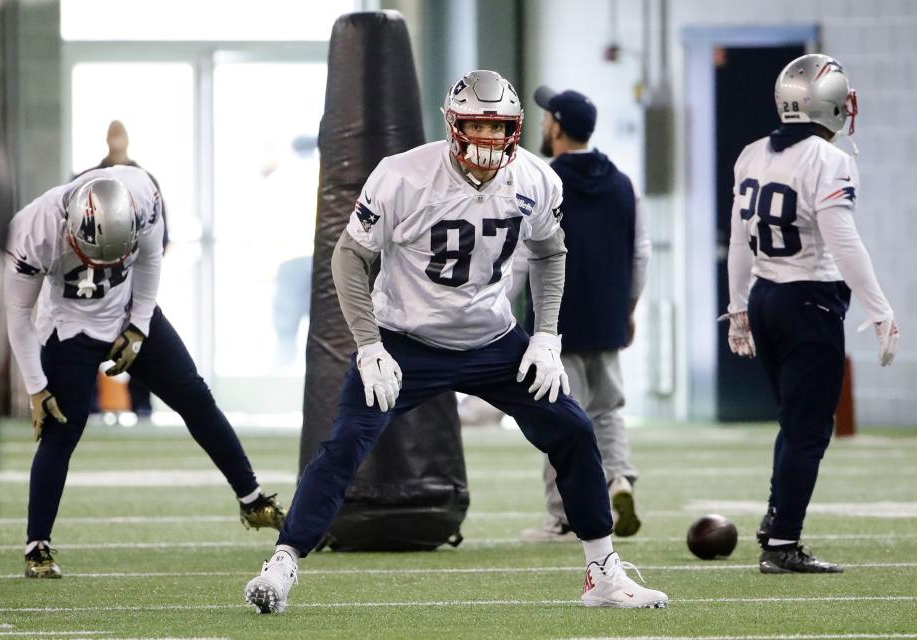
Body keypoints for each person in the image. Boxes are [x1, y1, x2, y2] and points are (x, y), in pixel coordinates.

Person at [243, 70, 668, 613]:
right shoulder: (403, 175)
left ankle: (603, 573)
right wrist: (370, 345)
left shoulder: (536, 178)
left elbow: (550, 253)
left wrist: (544, 336)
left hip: (492, 339)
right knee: (344, 443)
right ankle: (282, 565)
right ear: (453, 125)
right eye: (476, 125)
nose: (489, 140)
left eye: (500, 127)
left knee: (574, 430)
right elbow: (350, 256)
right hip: (406, 339)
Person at [4, 166, 286, 579]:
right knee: (61, 430)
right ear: (70, 229)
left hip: (127, 311)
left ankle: (253, 499)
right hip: (68, 328)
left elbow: (150, 259)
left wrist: (138, 325)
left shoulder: (143, 198)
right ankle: (37, 546)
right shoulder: (32, 230)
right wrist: (35, 386)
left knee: (194, 396)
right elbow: (18, 312)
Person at [724, 54, 898, 573]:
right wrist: (881, 309)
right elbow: (843, 241)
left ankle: (777, 517)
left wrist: (737, 307)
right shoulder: (830, 161)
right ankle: (782, 544)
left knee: (793, 422)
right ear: (832, 105)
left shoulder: (752, 153)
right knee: (807, 430)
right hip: (810, 302)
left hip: (765, 297)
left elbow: (737, 239)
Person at [518, 86, 650, 543]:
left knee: (558, 415)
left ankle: (565, 517)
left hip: (557, 321)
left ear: (555, 125)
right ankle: (618, 480)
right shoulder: (622, 182)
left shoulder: (542, 180)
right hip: (609, 316)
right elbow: (641, 253)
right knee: (608, 409)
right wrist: (628, 309)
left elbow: (522, 255)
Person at [76, 120, 166, 416]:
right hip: (94, 277)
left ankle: (141, 405)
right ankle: (87, 405)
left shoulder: (145, 181)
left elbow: (160, 238)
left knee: (140, 337)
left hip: (133, 276)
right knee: (87, 340)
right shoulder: (87, 178)